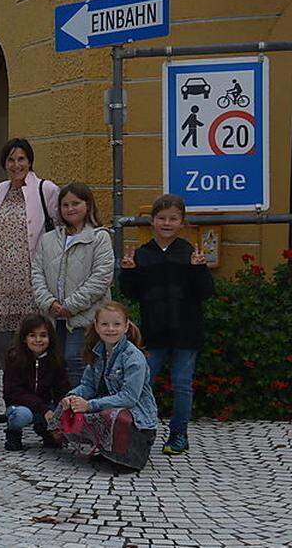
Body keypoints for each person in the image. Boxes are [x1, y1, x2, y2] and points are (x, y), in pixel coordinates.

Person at [120, 193, 214, 456]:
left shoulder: (189, 252)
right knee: (142, 381)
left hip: (187, 332)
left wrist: (199, 269)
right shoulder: (143, 253)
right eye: (161, 218)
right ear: (152, 221)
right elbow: (131, 293)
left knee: (182, 384)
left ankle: (178, 433)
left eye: (173, 218)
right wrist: (128, 271)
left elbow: (205, 293)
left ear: (182, 222)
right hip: (153, 332)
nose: (167, 223)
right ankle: (141, 428)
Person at [0, 138, 61, 361]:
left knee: (33, 339)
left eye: (21, 159)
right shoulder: (2, 189)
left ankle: (32, 388)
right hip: (2, 283)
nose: (17, 165)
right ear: (4, 163)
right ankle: (14, 383)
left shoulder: (46, 189)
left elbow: (63, 223)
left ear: (30, 161)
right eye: (11, 160)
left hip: (31, 281)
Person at [30, 182, 114, 386]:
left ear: (88, 205)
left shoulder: (99, 237)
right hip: (53, 316)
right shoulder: (48, 239)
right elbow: (36, 274)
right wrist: (49, 303)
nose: (70, 209)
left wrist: (70, 306)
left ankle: (80, 410)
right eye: (65, 205)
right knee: (53, 363)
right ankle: (59, 409)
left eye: (75, 203)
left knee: (76, 360)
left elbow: (101, 277)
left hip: (84, 315)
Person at [59, 302, 158, 471]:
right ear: (96, 327)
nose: (110, 329)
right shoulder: (97, 353)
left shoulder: (134, 357)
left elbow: (129, 398)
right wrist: (72, 397)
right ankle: (105, 450)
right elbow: (88, 386)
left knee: (112, 414)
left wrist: (89, 405)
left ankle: (128, 457)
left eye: (116, 324)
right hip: (109, 408)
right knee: (66, 407)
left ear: (126, 326)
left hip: (137, 421)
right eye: (104, 324)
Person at [2, 314, 68, 451]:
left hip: (45, 405)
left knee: (61, 414)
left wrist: (61, 410)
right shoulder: (14, 358)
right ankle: (13, 433)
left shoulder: (56, 359)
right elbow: (13, 392)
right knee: (22, 416)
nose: (38, 340)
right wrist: (44, 409)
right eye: (32, 335)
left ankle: (45, 430)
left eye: (43, 335)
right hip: (21, 405)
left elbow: (61, 388)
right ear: (24, 338)